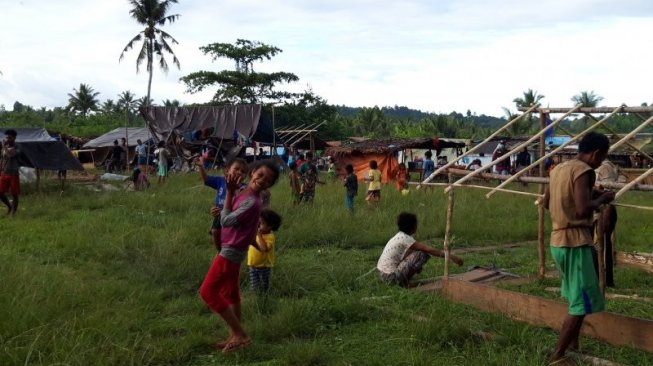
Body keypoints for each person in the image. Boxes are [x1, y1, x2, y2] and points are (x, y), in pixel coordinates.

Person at [541, 132, 615, 362]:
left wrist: (588, 194)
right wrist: (602, 199)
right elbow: (583, 210)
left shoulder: (559, 169)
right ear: (595, 154)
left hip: (557, 242)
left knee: (578, 297)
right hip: (575, 242)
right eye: (601, 158)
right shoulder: (585, 171)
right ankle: (558, 354)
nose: (600, 163)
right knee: (580, 303)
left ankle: (574, 344)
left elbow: (546, 203)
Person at [199, 160, 280, 353]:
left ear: (269, 186)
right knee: (231, 293)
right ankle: (233, 335)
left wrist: (227, 194)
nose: (262, 180)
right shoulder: (245, 194)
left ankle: (240, 334)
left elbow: (226, 221)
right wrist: (220, 209)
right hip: (234, 250)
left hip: (230, 251)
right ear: (252, 173)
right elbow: (233, 218)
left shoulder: (252, 201)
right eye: (260, 175)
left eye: (267, 180)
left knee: (207, 292)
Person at [377, 212, 463, 287]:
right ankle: (404, 283)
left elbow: (406, 255)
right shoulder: (405, 238)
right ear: (413, 226)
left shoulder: (399, 236)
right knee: (422, 254)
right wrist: (452, 257)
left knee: (414, 252)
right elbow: (428, 249)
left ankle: (403, 279)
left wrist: (415, 267)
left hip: (383, 275)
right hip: (391, 277)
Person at [198, 156, 249, 252]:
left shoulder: (244, 188)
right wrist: (201, 166)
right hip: (219, 214)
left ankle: (225, 253)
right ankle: (219, 252)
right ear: (227, 171)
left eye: (243, 172)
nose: (239, 172)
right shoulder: (220, 181)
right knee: (215, 231)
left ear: (245, 176)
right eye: (236, 169)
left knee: (229, 238)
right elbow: (206, 180)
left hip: (233, 215)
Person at [593, 159, 619, 288]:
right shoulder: (596, 167)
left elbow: (610, 193)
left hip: (605, 212)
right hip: (596, 212)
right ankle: (598, 277)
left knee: (603, 245)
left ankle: (606, 281)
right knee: (596, 245)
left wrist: (606, 216)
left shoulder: (605, 168)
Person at [247, 209, 283, 293]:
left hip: (264, 267)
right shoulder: (256, 232)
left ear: (270, 226)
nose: (259, 225)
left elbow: (264, 249)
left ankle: (264, 299)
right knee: (254, 286)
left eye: (262, 223)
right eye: (258, 222)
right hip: (252, 265)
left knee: (264, 287)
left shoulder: (270, 236)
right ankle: (255, 297)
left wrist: (259, 235)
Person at [0, 129, 20, 215]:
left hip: (13, 174)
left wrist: (4, 147)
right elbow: (2, 159)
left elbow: (10, 155)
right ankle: (9, 206)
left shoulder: (17, 147)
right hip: (4, 173)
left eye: (10, 137)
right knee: (0, 193)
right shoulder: (5, 147)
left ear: (14, 138)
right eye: (7, 137)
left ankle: (13, 213)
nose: (7, 139)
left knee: (14, 194)